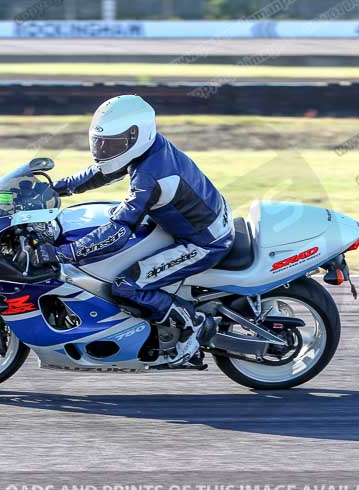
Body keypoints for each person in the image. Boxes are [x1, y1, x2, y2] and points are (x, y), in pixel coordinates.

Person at [29, 95, 234, 367]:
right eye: (99, 143)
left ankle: (192, 327)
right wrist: (56, 188)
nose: (103, 150)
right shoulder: (148, 149)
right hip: (186, 223)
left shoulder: (151, 175)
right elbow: (101, 172)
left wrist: (67, 253)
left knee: (127, 285)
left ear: (136, 135)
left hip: (204, 243)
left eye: (110, 144)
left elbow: (119, 229)